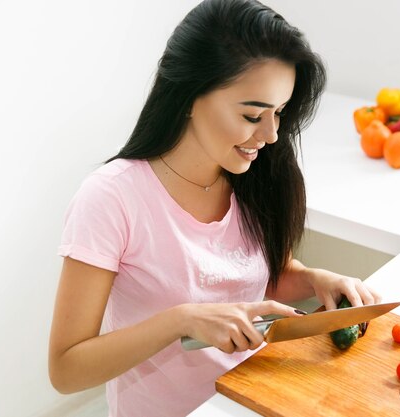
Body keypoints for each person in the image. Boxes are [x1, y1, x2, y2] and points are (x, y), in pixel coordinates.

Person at [48, 0, 381, 415]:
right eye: (252, 114)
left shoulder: (252, 177)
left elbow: (250, 280)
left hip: (254, 399)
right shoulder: (112, 198)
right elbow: (66, 369)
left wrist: (315, 280)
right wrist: (182, 320)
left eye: (279, 112)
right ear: (189, 94)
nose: (272, 134)